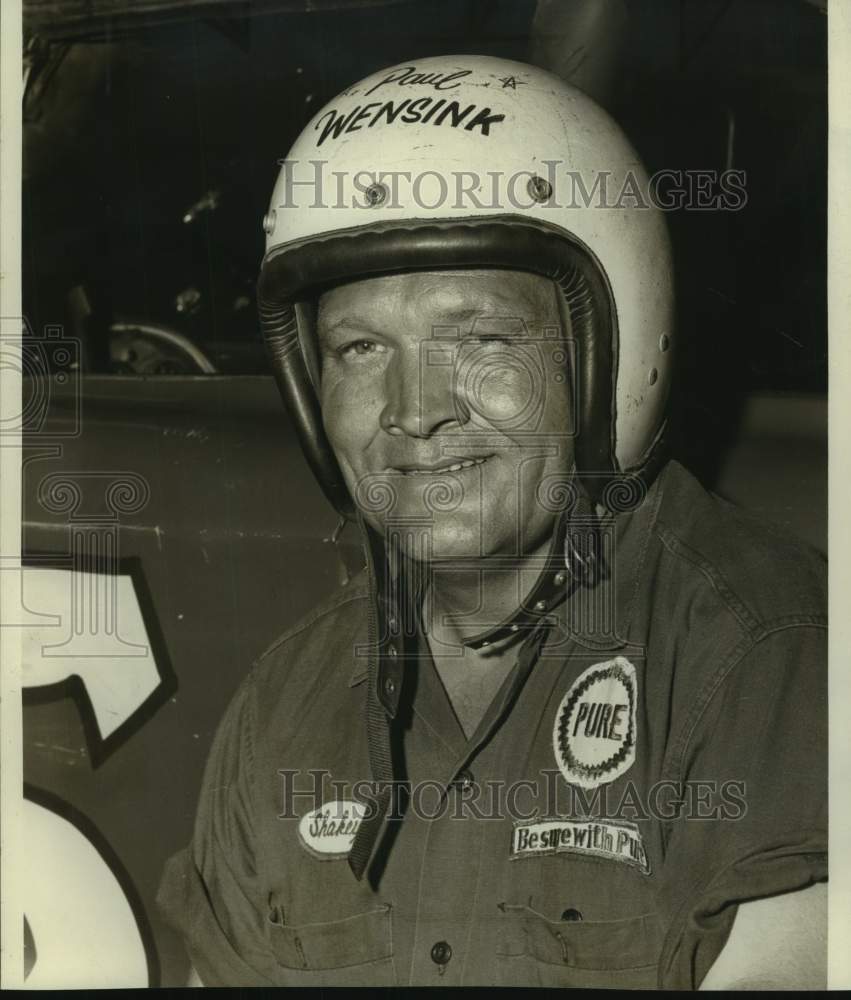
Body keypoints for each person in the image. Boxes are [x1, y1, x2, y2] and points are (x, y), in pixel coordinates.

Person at [157, 55, 827, 989]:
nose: (413, 408)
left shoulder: (776, 661)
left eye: (479, 340)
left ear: (606, 352)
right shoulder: (286, 703)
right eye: (357, 349)